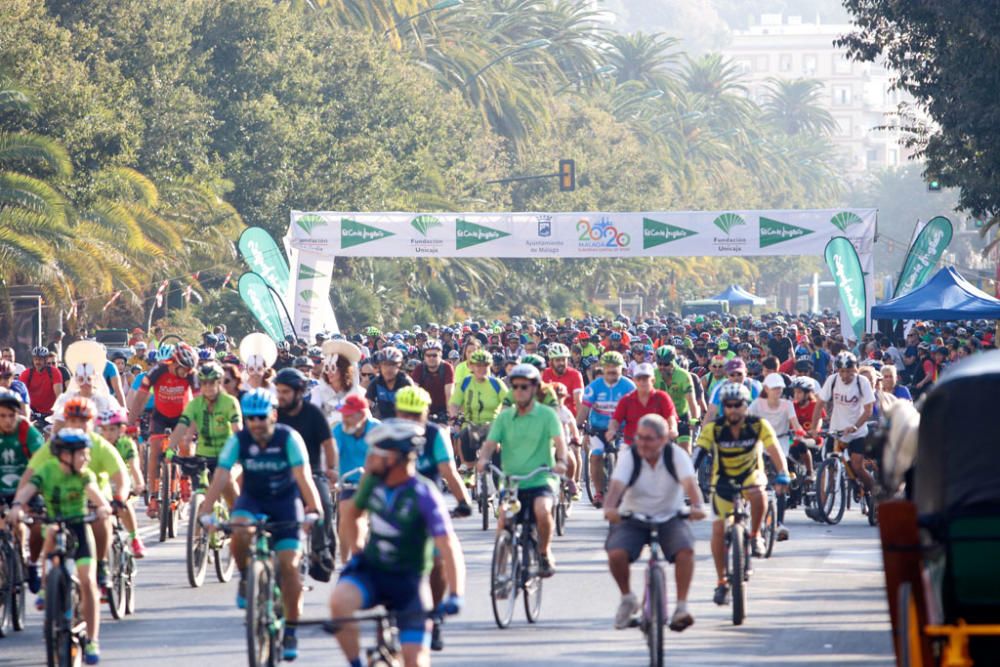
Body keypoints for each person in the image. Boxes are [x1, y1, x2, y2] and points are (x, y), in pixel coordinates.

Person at [199, 389, 324, 662]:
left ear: (274, 415)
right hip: (252, 499)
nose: (256, 423)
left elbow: (304, 477)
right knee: (239, 527)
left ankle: (290, 630)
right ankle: (246, 576)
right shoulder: (239, 439)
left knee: (290, 567)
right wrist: (205, 510)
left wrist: (314, 508)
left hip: (285, 502)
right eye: (251, 418)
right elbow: (221, 476)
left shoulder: (288, 438)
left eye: (261, 417)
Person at [330, 419, 466, 667]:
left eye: (375, 453)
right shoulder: (372, 482)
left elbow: (448, 545)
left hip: (409, 582)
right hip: (373, 573)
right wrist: (358, 551)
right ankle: (356, 663)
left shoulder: (424, 494)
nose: (368, 459)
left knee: (416, 661)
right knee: (339, 602)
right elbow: (352, 514)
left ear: (394, 458)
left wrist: (455, 594)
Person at [8, 429, 112, 665]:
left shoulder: (84, 475)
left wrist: (103, 507)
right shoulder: (47, 471)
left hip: (79, 527)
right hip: (55, 524)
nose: (86, 458)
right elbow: (28, 489)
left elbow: (95, 495)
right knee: (52, 533)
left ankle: (93, 639)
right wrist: (17, 505)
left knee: (87, 580)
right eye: (82, 454)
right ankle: (48, 587)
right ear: (65, 454)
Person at [603, 414, 706, 631]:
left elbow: (690, 485)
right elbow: (615, 487)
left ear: (663, 439)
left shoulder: (676, 455)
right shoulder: (630, 456)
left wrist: (697, 507)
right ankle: (628, 597)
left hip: (671, 516)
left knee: (685, 550)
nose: (642, 443)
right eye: (639, 437)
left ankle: (681, 607)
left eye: (648, 439)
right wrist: (610, 508)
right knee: (615, 553)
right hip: (634, 517)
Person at [696, 383, 789, 605]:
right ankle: (721, 582)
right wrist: (686, 477)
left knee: (758, 492)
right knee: (718, 528)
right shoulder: (714, 428)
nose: (733, 409)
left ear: (746, 406)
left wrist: (783, 473)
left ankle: (755, 535)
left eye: (738, 405)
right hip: (723, 481)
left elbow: (775, 450)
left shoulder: (758, 425)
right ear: (723, 407)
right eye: (728, 405)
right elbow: (697, 454)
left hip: (751, 475)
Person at [394, 385, 471, 651]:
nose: (411, 420)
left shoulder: (435, 434)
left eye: (417, 414)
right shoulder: (386, 434)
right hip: (394, 507)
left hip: (428, 506)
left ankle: (435, 615)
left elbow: (449, 470)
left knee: (438, 560)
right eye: (406, 414)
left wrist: (463, 501)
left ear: (426, 413)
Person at [477, 364, 568, 577]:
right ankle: (500, 571)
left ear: (535, 388)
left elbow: (560, 442)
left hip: (540, 478)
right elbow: (490, 443)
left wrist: (562, 461)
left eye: (524, 387)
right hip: (511, 482)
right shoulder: (504, 417)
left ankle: (544, 553)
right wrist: (483, 459)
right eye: (515, 386)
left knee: (542, 510)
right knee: (503, 520)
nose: (518, 391)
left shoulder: (547, 415)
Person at [275, 367, 339, 578]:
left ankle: (319, 548)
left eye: (286, 392)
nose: (281, 396)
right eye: (279, 391)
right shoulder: (273, 414)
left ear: (299, 392)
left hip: (311, 473)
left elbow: (329, 444)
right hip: (279, 473)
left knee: (324, 505)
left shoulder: (314, 413)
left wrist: (331, 470)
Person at [128, 343, 198, 518]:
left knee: (186, 445)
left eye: (190, 369)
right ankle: (153, 496)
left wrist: (197, 428)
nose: (187, 372)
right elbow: (140, 398)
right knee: (155, 451)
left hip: (183, 414)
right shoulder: (158, 370)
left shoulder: (191, 374)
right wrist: (131, 422)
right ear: (174, 362)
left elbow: (199, 402)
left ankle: (185, 478)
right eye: (184, 368)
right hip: (161, 415)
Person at [168, 362, 241, 510]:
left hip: (226, 455)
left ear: (219, 383)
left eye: (212, 383)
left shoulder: (230, 402)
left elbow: (238, 430)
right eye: (204, 383)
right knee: (203, 503)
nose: (208, 387)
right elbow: (182, 426)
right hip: (203, 456)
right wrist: (169, 448)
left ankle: (237, 522)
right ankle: (199, 531)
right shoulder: (195, 404)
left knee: (228, 485)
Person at [810, 351, 877, 496]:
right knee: (828, 466)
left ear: (855, 369)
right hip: (837, 431)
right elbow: (819, 403)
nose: (845, 376)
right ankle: (823, 503)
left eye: (849, 371)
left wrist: (855, 426)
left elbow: (868, 410)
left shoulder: (862, 382)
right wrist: (814, 427)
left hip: (857, 432)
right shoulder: (832, 380)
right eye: (842, 371)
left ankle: (876, 495)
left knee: (857, 466)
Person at [749, 373, 804, 541]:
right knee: (756, 485)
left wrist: (801, 433)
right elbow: (747, 422)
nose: (778, 391)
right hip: (759, 446)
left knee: (781, 485)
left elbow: (795, 424)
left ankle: (779, 523)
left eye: (780, 388)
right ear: (766, 389)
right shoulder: (757, 404)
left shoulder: (787, 405)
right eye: (774, 388)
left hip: (780, 445)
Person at [577, 351, 635, 508]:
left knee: (627, 456)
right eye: (607, 366)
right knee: (596, 456)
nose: (611, 370)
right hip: (598, 428)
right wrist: (579, 426)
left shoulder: (629, 386)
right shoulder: (594, 386)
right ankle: (599, 492)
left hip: (623, 428)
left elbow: (636, 408)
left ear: (621, 368)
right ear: (602, 368)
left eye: (614, 367)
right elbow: (584, 409)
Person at [331, 395, 379, 565]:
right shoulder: (338, 431)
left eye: (348, 415)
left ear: (362, 415)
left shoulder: (378, 430)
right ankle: (345, 562)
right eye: (343, 414)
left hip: (374, 483)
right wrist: (331, 474)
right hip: (348, 483)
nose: (345, 419)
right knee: (345, 512)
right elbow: (332, 455)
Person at [96, 409, 147, 558]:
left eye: (112, 429)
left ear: (122, 429)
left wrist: (139, 484)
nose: (108, 434)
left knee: (124, 504)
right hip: (103, 485)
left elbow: (135, 467)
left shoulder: (127, 444)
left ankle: (135, 538)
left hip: (124, 483)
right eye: (104, 430)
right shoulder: (97, 443)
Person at [449, 349, 508, 476]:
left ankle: (500, 486)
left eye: (485, 365)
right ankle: (469, 469)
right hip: (471, 423)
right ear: (471, 366)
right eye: (478, 365)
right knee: (464, 434)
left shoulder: (496, 383)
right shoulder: (466, 382)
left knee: (499, 453)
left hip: (492, 424)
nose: (482, 369)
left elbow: (508, 402)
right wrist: (454, 417)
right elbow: (454, 403)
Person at [608, 363, 678, 447]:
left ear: (653, 380)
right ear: (634, 380)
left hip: (657, 446)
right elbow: (615, 420)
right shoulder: (626, 400)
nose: (642, 382)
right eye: (639, 379)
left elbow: (671, 417)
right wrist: (612, 430)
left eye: (645, 379)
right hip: (632, 446)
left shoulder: (662, 397)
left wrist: (673, 429)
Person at [653, 347, 699, 454]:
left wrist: (694, 420)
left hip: (681, 415)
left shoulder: (683, 375)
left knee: (686, 452)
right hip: (661, 416)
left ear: (673, 361)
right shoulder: (653, 374)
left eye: (666, 364)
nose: (662, 367)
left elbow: (692, 401)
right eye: (659, 364)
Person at [410, 340, 454, 423]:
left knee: (444, 432)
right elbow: (413, 391)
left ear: (440, 355)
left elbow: (449, 394)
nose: (431, 358)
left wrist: (450, 417)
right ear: (424, 356)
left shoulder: (447, 368)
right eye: (428, 355)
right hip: (424, 409)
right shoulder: (419, 368)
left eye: (434, 355)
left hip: (443, 410)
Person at [365, 347, 413, 419]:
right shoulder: (376, 383)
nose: (388, 369)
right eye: (385, 364)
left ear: (399, 365)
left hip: (403, 422)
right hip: (382, 423)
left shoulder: (406, 383)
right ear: (380, 366)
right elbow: (366, 405)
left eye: (392, 364)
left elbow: (414, 409)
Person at [19, 346, 63, 417]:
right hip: (32, 413)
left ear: (45, 360)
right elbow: (20, 395)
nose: (37, 362)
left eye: (40, 359)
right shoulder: (26, 374)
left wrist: (58, 412)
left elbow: (59, 395)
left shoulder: (54, 372)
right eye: (35, 359)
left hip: (50, 414)